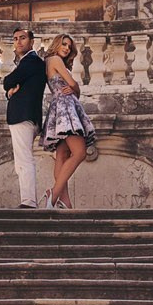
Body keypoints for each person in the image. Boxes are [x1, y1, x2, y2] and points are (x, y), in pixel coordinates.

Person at [40, 32, 96, 209]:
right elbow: (73, 85)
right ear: (56, 44)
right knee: (79, 152)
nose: (66, 48)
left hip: (61, 108)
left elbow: (73, 88)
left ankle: (65, 200)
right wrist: (75, 88)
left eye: (69, 46)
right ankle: (54, 193)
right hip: (65, 108)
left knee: (62, 156)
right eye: (64, 44)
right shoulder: (55, 59)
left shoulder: (51, 62)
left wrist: (74, 89)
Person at [0, 27, 46, 208]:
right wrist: (10, 92)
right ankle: (28, 200)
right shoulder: (29, 64)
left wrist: (9, 87)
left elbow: (8, 81)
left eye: (23, 38)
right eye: (15, 38)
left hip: (23, 116)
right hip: (27, 116)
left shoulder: (31, 61)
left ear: (32, 41)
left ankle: (29, 201)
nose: (18, 41)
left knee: (24, 160)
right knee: (22, 160)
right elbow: (13, 87)